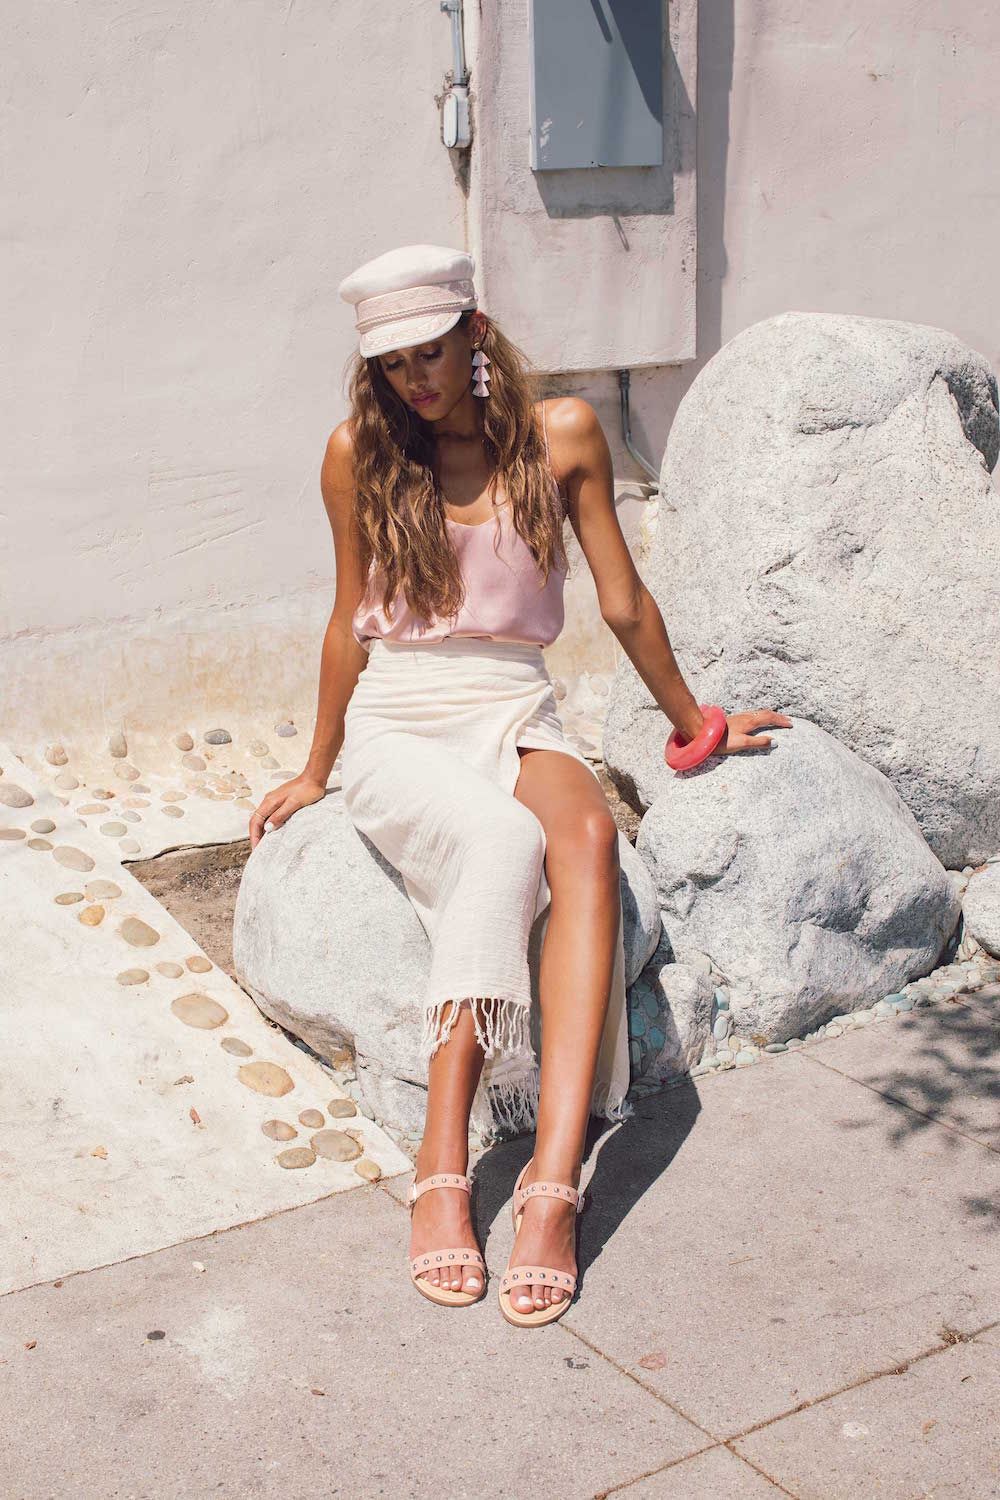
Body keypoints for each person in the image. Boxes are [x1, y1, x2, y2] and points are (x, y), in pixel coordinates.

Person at [249, 244, 791, 1328]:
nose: (414, 379)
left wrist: (696, 726)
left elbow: (624, 602)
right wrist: (318, 767)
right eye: (392, 362)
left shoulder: (564, 435)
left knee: (583, 841)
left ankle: (551, 1182)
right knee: (502, 843)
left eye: (430, 352)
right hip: (403, 718)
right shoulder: (358, 453)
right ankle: (442, 1162)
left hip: (516, 707)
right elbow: (348, 618)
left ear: (476, 334)